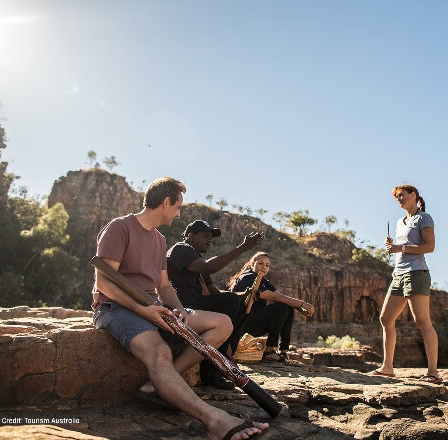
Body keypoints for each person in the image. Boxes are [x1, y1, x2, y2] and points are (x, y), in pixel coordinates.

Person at [92, 177, 268, 440]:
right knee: (160, 351)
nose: (179, 213)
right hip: (114, 308)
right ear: (166, 202)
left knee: (223, 324)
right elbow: (104, 282)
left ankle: (161, 382)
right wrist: (144, 312)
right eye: (178, 207)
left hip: (155, 305)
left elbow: (164, 287)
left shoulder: (160, 240)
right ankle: (215, 420)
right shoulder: (119, 228)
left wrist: (178, 309)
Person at [167, 220, 263, 389]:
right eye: (205, 236)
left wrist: (244, 295)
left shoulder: (196, 259)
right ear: (190, 236)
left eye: (211, 237)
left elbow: (215, 294)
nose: (209, 240)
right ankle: (211, 370)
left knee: (240, 305)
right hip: (183, 306)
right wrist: (243, 247)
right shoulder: (180, 249)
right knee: (232, 302)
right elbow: (208, 267)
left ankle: (224, 360)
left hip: (197, 304)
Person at [370, 184, 441, 384]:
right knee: (386, 319)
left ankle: (433, 372)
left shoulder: (424, 218)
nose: (399, 199)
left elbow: (430, 247)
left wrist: (399, 247)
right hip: (398, 274)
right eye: (396, 197)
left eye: (401, 195)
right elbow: (402, 248)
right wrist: (392, 247)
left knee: (422, 321)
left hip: (416, 273)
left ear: (414, 195)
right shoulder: (401, 222)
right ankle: (387, 367)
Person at [228, 251, 315, 362]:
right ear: (252, 264)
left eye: (267, 265)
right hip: (240, 324)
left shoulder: (263, 280)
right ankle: (270, 350)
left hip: (253, 322)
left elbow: (279, 295)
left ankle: (283, 351)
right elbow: (274, 297)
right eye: (260, 263)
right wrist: (303, 304)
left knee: (288, 307)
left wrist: (299, 308)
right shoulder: (247, 278)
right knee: (281, 307)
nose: (264, 267)